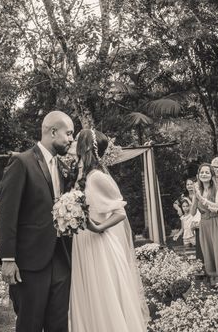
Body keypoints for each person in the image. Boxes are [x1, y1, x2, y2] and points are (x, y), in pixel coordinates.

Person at [0, 110, 75, 332]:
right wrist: (8, 258)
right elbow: (7, 213)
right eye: (68, 133)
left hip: (61, 259)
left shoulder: (62, 167)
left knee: (59, 325)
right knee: (30, 324)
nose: (71, 139)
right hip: (30, 263)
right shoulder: (21, 162)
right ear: (52, 132)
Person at [70, 129, 148, 331]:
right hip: (82, 243)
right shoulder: (81, 174)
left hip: (99, 244)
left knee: (102, 295)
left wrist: (98, 227)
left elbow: (120, 212)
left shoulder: (97, 176)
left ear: (85, 146)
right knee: (87, 296)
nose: (72, 141)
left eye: (77, 139)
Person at [190, 163, 218, 276]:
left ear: (212, 175)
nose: (204, 174)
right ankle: (214, 285)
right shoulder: (197, 191)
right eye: (202, 172)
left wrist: (202, 199)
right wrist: (195, 198)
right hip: (204, 225)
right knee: (208, 256)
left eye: (207, 172)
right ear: (198, 175)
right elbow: (192, 212)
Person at [173, 177, 203, 261]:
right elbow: (175, 204)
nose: (189, 186)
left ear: (195, 184)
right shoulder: (184, 196)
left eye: (191, 184)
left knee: (197, 242)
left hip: (197, 218)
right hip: (188, 219)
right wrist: (179, 209)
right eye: (187, 184)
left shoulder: (198, 193)